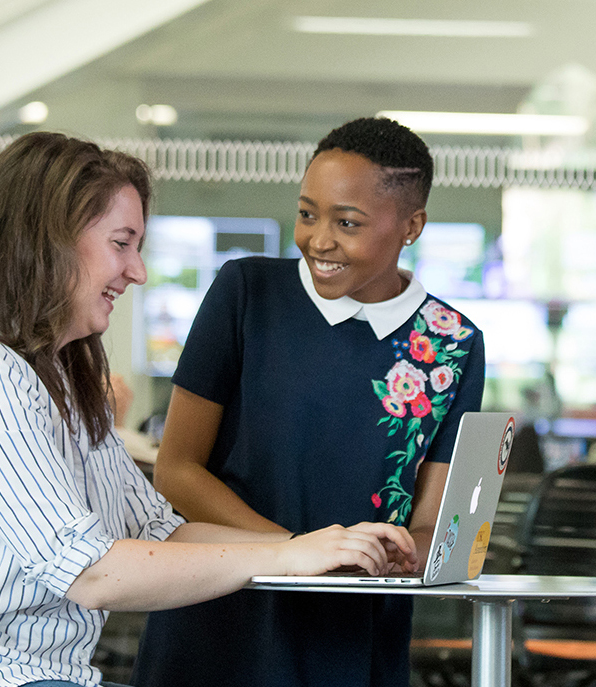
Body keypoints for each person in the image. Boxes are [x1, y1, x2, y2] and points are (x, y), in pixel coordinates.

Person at [0, 131, 419, 687]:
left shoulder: (59, 378)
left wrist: (311, 549)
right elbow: (92, 572)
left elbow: (161, 531)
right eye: (121, 243)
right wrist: (286, 558)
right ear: (47, 242)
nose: (137, 272)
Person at [131, 117, 486, 687]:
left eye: (347, 222)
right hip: (218, 611)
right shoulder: (245, 294)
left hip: (351, 633)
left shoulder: (452, 343)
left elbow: (436, 530)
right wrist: (295, 552)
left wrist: (410, 552)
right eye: (307, 213)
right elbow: (176, 471)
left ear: (412, 226)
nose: (320, 239)